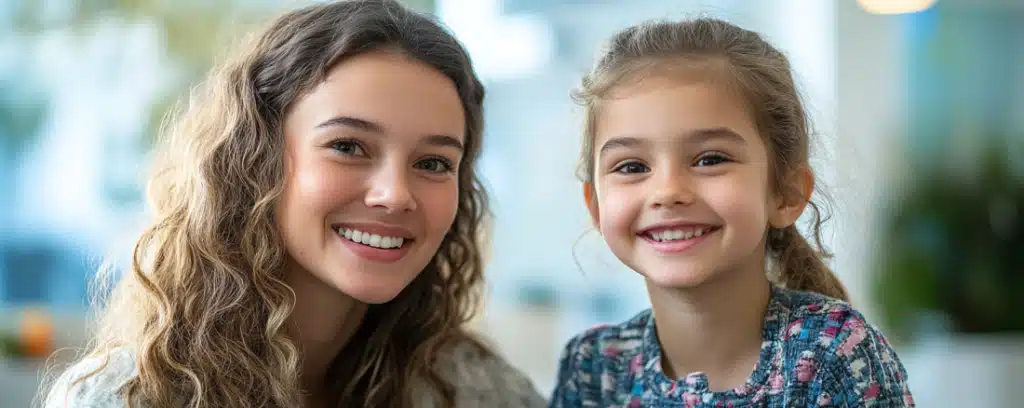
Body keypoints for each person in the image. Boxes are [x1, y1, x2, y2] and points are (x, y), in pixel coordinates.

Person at [42, 1, 546, 407]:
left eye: (434, 163)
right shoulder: (126, 398)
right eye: (348, 146)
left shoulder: (484, 393)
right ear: (253, 162)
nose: (395, 194)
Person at [549, 18, 915, 407]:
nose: (668, 192)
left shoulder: (836, 354)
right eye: (632, 167)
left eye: (710, 159)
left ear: (786, 193)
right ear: (595, 206)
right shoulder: (592, 368)